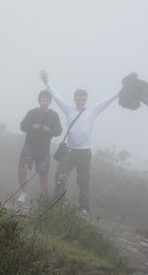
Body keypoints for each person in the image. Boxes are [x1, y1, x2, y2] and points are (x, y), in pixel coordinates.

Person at [39, 70, 119, 213]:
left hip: (84, 153)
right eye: (78, 99)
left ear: (85, 100)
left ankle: (84, 208)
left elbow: (106, 102)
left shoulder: (92, 111)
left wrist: (120, 91)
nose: (80, 101)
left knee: (83, 181)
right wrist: (47, 84)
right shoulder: (69, 109)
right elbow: (57, 98)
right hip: (69, 151)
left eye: (82, 99)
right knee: (60, 176)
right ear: (74, 99)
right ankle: (56, 205)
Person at [18, 90, 62, 203]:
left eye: (47, 100)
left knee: (43, 173)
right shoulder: (31, 112)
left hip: (43, 149)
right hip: (29, 145)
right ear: (39, 101)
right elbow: (22, 126)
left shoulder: (54, 115)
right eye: (42, 100)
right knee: (22, 168)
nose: (44, 102)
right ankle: (23, 193)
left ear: (50, 102)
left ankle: (43, 197)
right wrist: (33, 126)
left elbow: (59, 131)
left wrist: (50, 130)